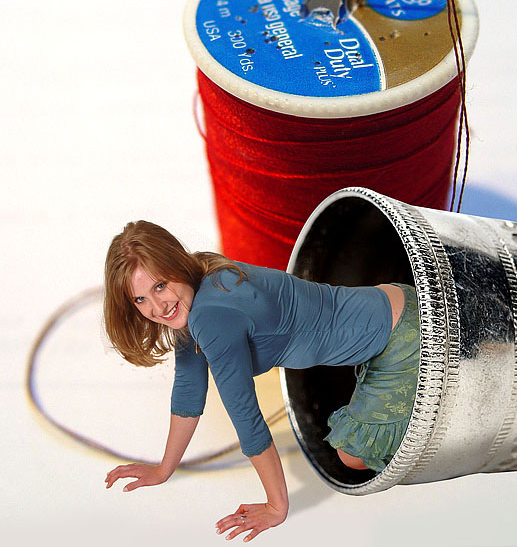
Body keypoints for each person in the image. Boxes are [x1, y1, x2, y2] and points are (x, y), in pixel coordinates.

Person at [103, 220, 419, 541]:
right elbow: (188, 390)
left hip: (404, 339)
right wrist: (163, 469)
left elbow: (245, 416)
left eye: (159, 286)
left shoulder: (209, 317)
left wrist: (276, 506)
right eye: (140, 299)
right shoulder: (205, 274)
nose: (157, 307)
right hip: (396, 302)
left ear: (177, 265)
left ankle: (438, 389)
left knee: (353, 455)